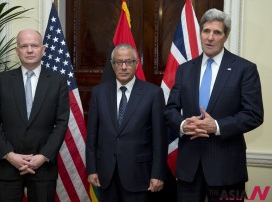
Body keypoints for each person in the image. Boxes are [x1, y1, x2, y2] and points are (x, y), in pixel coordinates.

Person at [164, 8, 264, 202]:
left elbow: (253, 114)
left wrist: (217, 126)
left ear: (225, 36)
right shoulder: (185, 70)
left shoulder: (244, 69)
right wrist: (184, 125)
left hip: (226, 167)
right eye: (206, 31)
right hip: (189, 167)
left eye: (216, 32)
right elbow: (170, 110)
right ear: (200, 33)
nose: (210, 37)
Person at [0, 29, 70, 202]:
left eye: (34, 45)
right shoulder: (1, 80)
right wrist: (10, 155)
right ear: (17, 51)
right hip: (7, 167)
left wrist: (43, 156)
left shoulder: (58, 81)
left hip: (43, 167)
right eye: (24, 46)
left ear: (43, 49)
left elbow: (61, 123)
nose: (30, 50)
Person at [86, 43, 167, 202]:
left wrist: (157, 174)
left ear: (136, 64)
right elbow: (92, 136)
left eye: (128, 62)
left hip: (139, 175)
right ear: (112, 64)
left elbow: (160, 139)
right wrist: (92, 169)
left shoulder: (153, 93)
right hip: (106, 175)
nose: (123, 67)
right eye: (118, 62)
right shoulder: (99, 92)